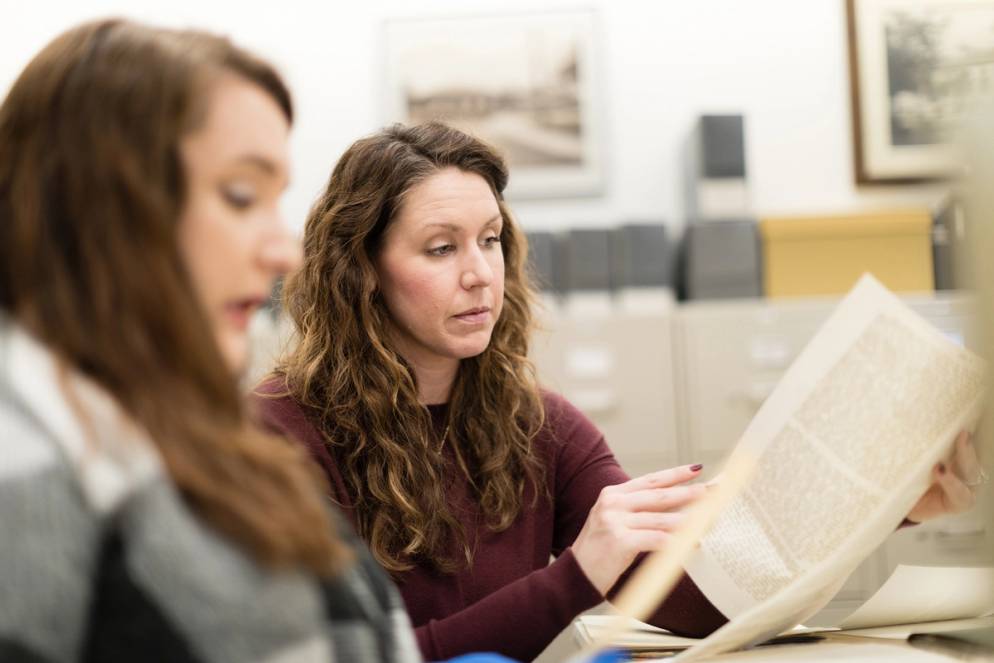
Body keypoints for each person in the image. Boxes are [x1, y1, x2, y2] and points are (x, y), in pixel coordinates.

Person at [253, 122, 984, 661]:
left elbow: (688, 598)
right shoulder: (281, 434)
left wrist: (888, 508)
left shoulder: (541, 424)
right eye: (441, 248)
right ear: (362, 271)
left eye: (491, 239)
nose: (480, 273)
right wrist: (576, 577)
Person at [0, 20, 421, 663]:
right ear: (99, 206)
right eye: (240, 195)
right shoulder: (27, 445)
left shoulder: (196, 432)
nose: (283, 253)